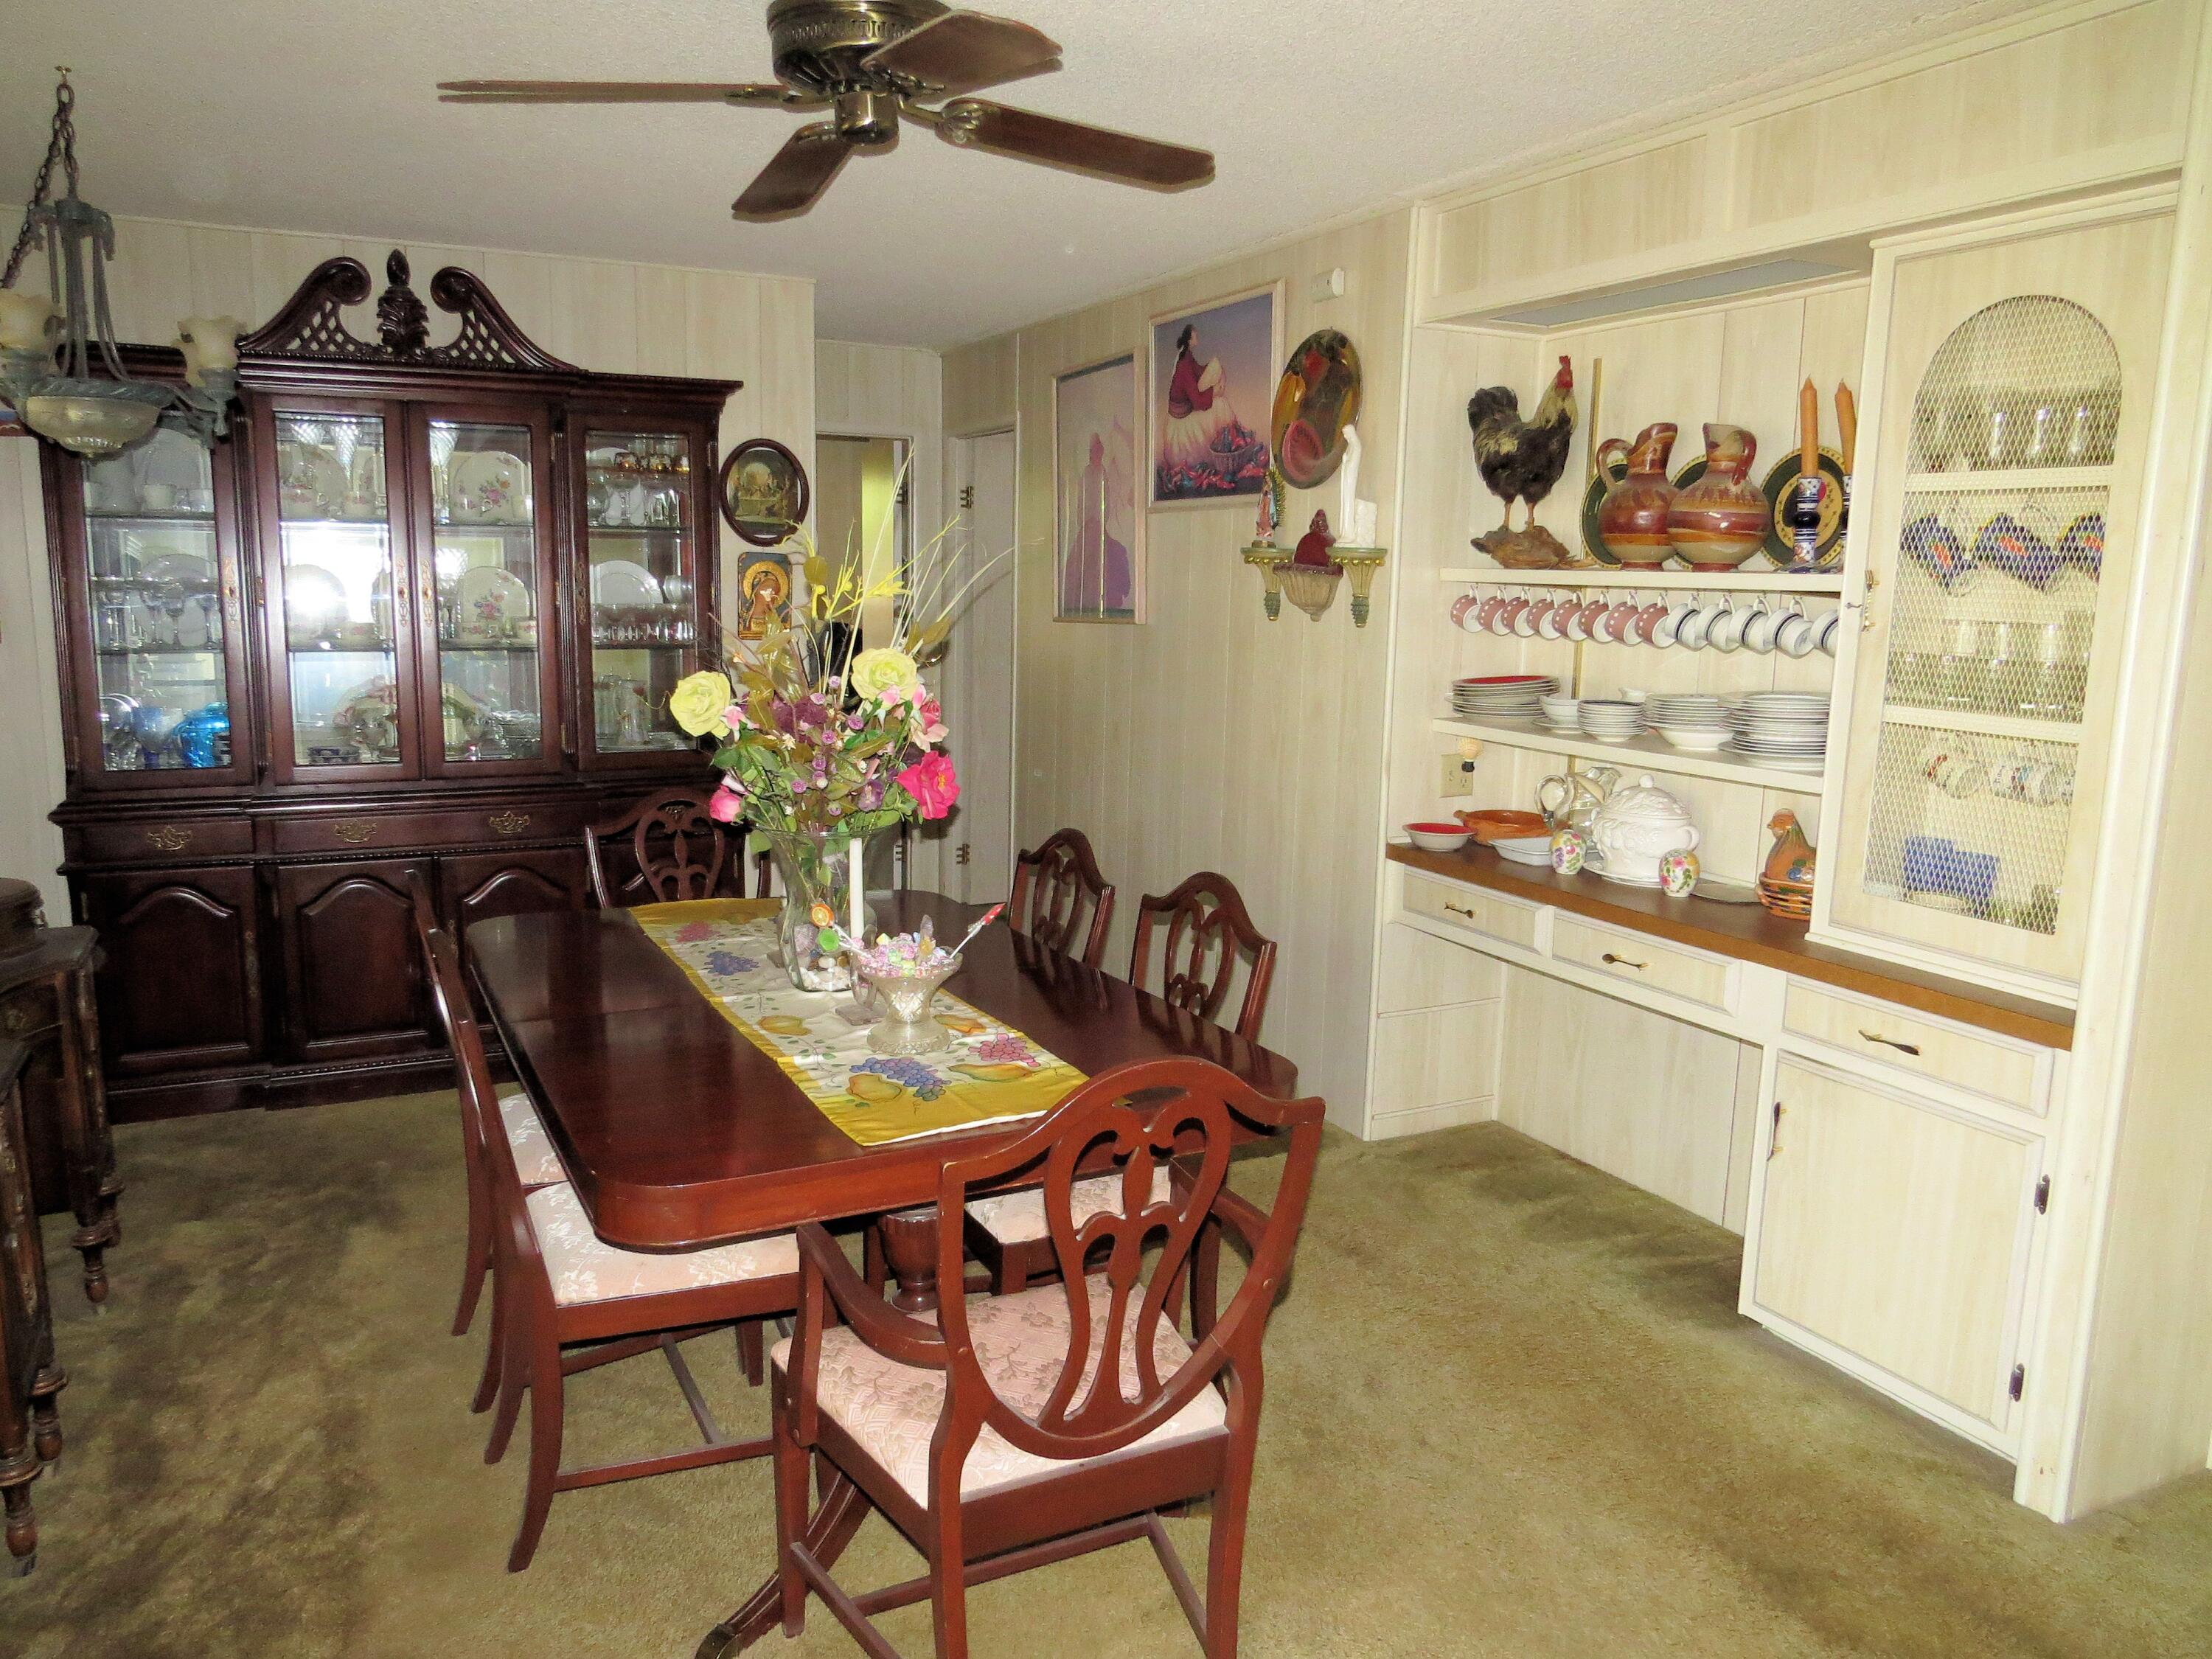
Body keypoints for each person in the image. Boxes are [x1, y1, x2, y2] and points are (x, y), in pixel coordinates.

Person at [1158, 324, 1249, 493]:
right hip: (1181, 425)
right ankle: (1228, 447)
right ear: (1189, 339)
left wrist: (1216, 372)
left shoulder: (1188, 358)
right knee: (1221, 405)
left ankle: (1231, 443)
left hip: (1188, 410)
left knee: (1216, 371)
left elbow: (1199, 372)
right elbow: (1198, 401)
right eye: (1195, 336)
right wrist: (1214, 392)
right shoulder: (1184, 366)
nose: (1197, 339)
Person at [1061, 431, 1133, 616]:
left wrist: (1101, 519)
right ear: (1091, 452)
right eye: (1096, 450)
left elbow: (1105, 499)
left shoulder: (1103, 472)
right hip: (1090, 521)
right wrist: (1090, 520)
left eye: (1101, 449)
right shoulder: (1088, 473)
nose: (1099, 453)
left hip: (1098, 522)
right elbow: (1084, 500)